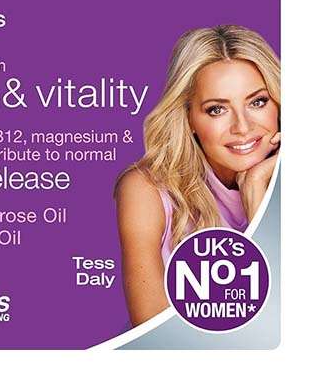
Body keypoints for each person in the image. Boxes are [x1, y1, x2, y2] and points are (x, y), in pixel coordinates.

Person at [115, 25, 281, 326]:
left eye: (257, 102)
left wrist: (258, 197)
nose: (243, 127)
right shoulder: (147, 190)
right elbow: (156, 339)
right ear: (189, 117)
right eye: (217, 109)